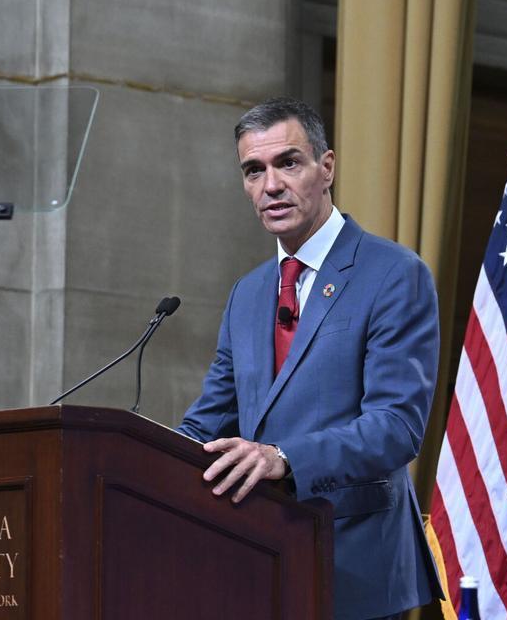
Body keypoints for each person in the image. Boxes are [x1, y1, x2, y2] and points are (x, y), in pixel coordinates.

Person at [178, 98, 442, 620]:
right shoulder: (248, 293)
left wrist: (285, 457)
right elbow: (208, 421)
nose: (270, 185)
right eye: (254, 171)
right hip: (261, 560)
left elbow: (396, 427)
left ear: (327, 169)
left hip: (356, 568)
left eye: (288, 163)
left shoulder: (393, 274)